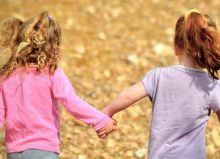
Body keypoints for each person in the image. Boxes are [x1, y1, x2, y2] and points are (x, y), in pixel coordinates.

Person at [101, 9, 220, 159]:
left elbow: (128, 95)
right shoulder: (211, 85)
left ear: (175, 46)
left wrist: (105, 114)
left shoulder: (159, 76)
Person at [0, 11, 116, 159]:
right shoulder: (51, 73)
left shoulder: (6, 75)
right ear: (53, 46)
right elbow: (72, 102)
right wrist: (100, 121)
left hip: (14, 152)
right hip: (43, 149)